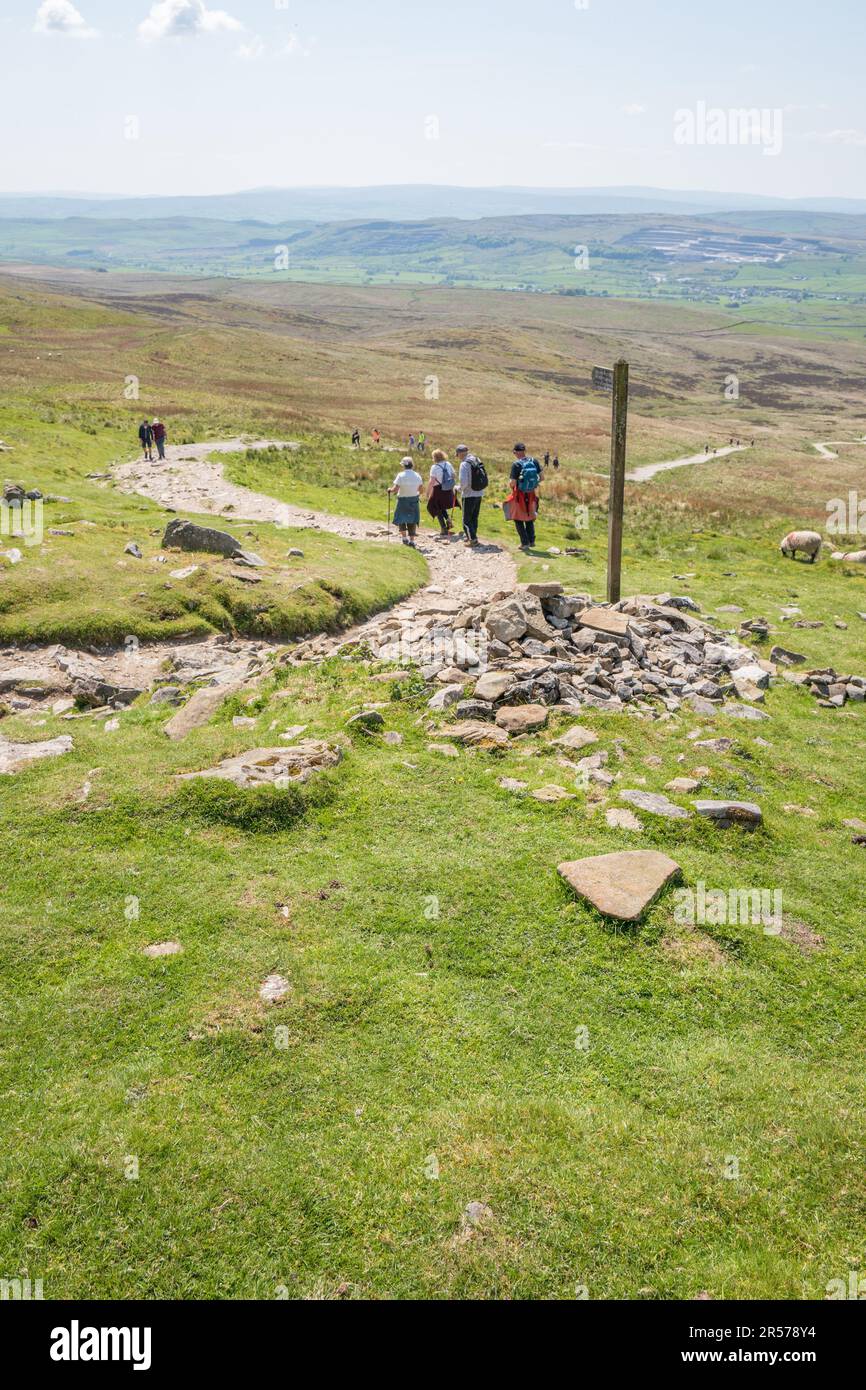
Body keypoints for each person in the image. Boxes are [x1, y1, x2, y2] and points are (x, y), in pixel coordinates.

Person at [506, 442, 542, 551]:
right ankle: (531, 541)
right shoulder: (534, 461)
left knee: (517, 518)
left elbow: (513, 483)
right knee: (529, 516)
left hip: (519, 495)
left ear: (516, 452)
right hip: (531, 493)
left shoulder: (516, 464)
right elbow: (542, 477)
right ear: (524, 451)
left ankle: (524, 543)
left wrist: (510, 484)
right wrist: (533, 483)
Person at [456, 443, 487, 547]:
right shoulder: (476, 459)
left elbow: (463, 483)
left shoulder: (464, 464)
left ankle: (472, 540)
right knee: (474, 517)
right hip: (479, 492)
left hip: (469, 494)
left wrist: (458, 488)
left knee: (466, 520)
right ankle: (472, 536)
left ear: (460, 454)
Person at [388, 457, 423, 546]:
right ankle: (411, 540)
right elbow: (421, 490)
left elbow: (395, 490)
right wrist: (415, 493)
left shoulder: (400, 475)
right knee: (412, 520)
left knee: (401, 518)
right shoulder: (417, 475)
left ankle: (404, 538)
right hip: (414, 500)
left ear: (404, 465)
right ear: (412, 465)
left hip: (402, 500)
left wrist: (390, 490)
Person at [426, 447, 457, 538]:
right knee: (442, 506)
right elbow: (454, 475)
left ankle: (443, 528)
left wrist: (428, 492)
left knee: (435, 507)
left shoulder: (434, 467)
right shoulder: (448, 464)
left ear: (434, 457)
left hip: (438, 489)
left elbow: (432, 481)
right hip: (447, 489)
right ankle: (448, 521)